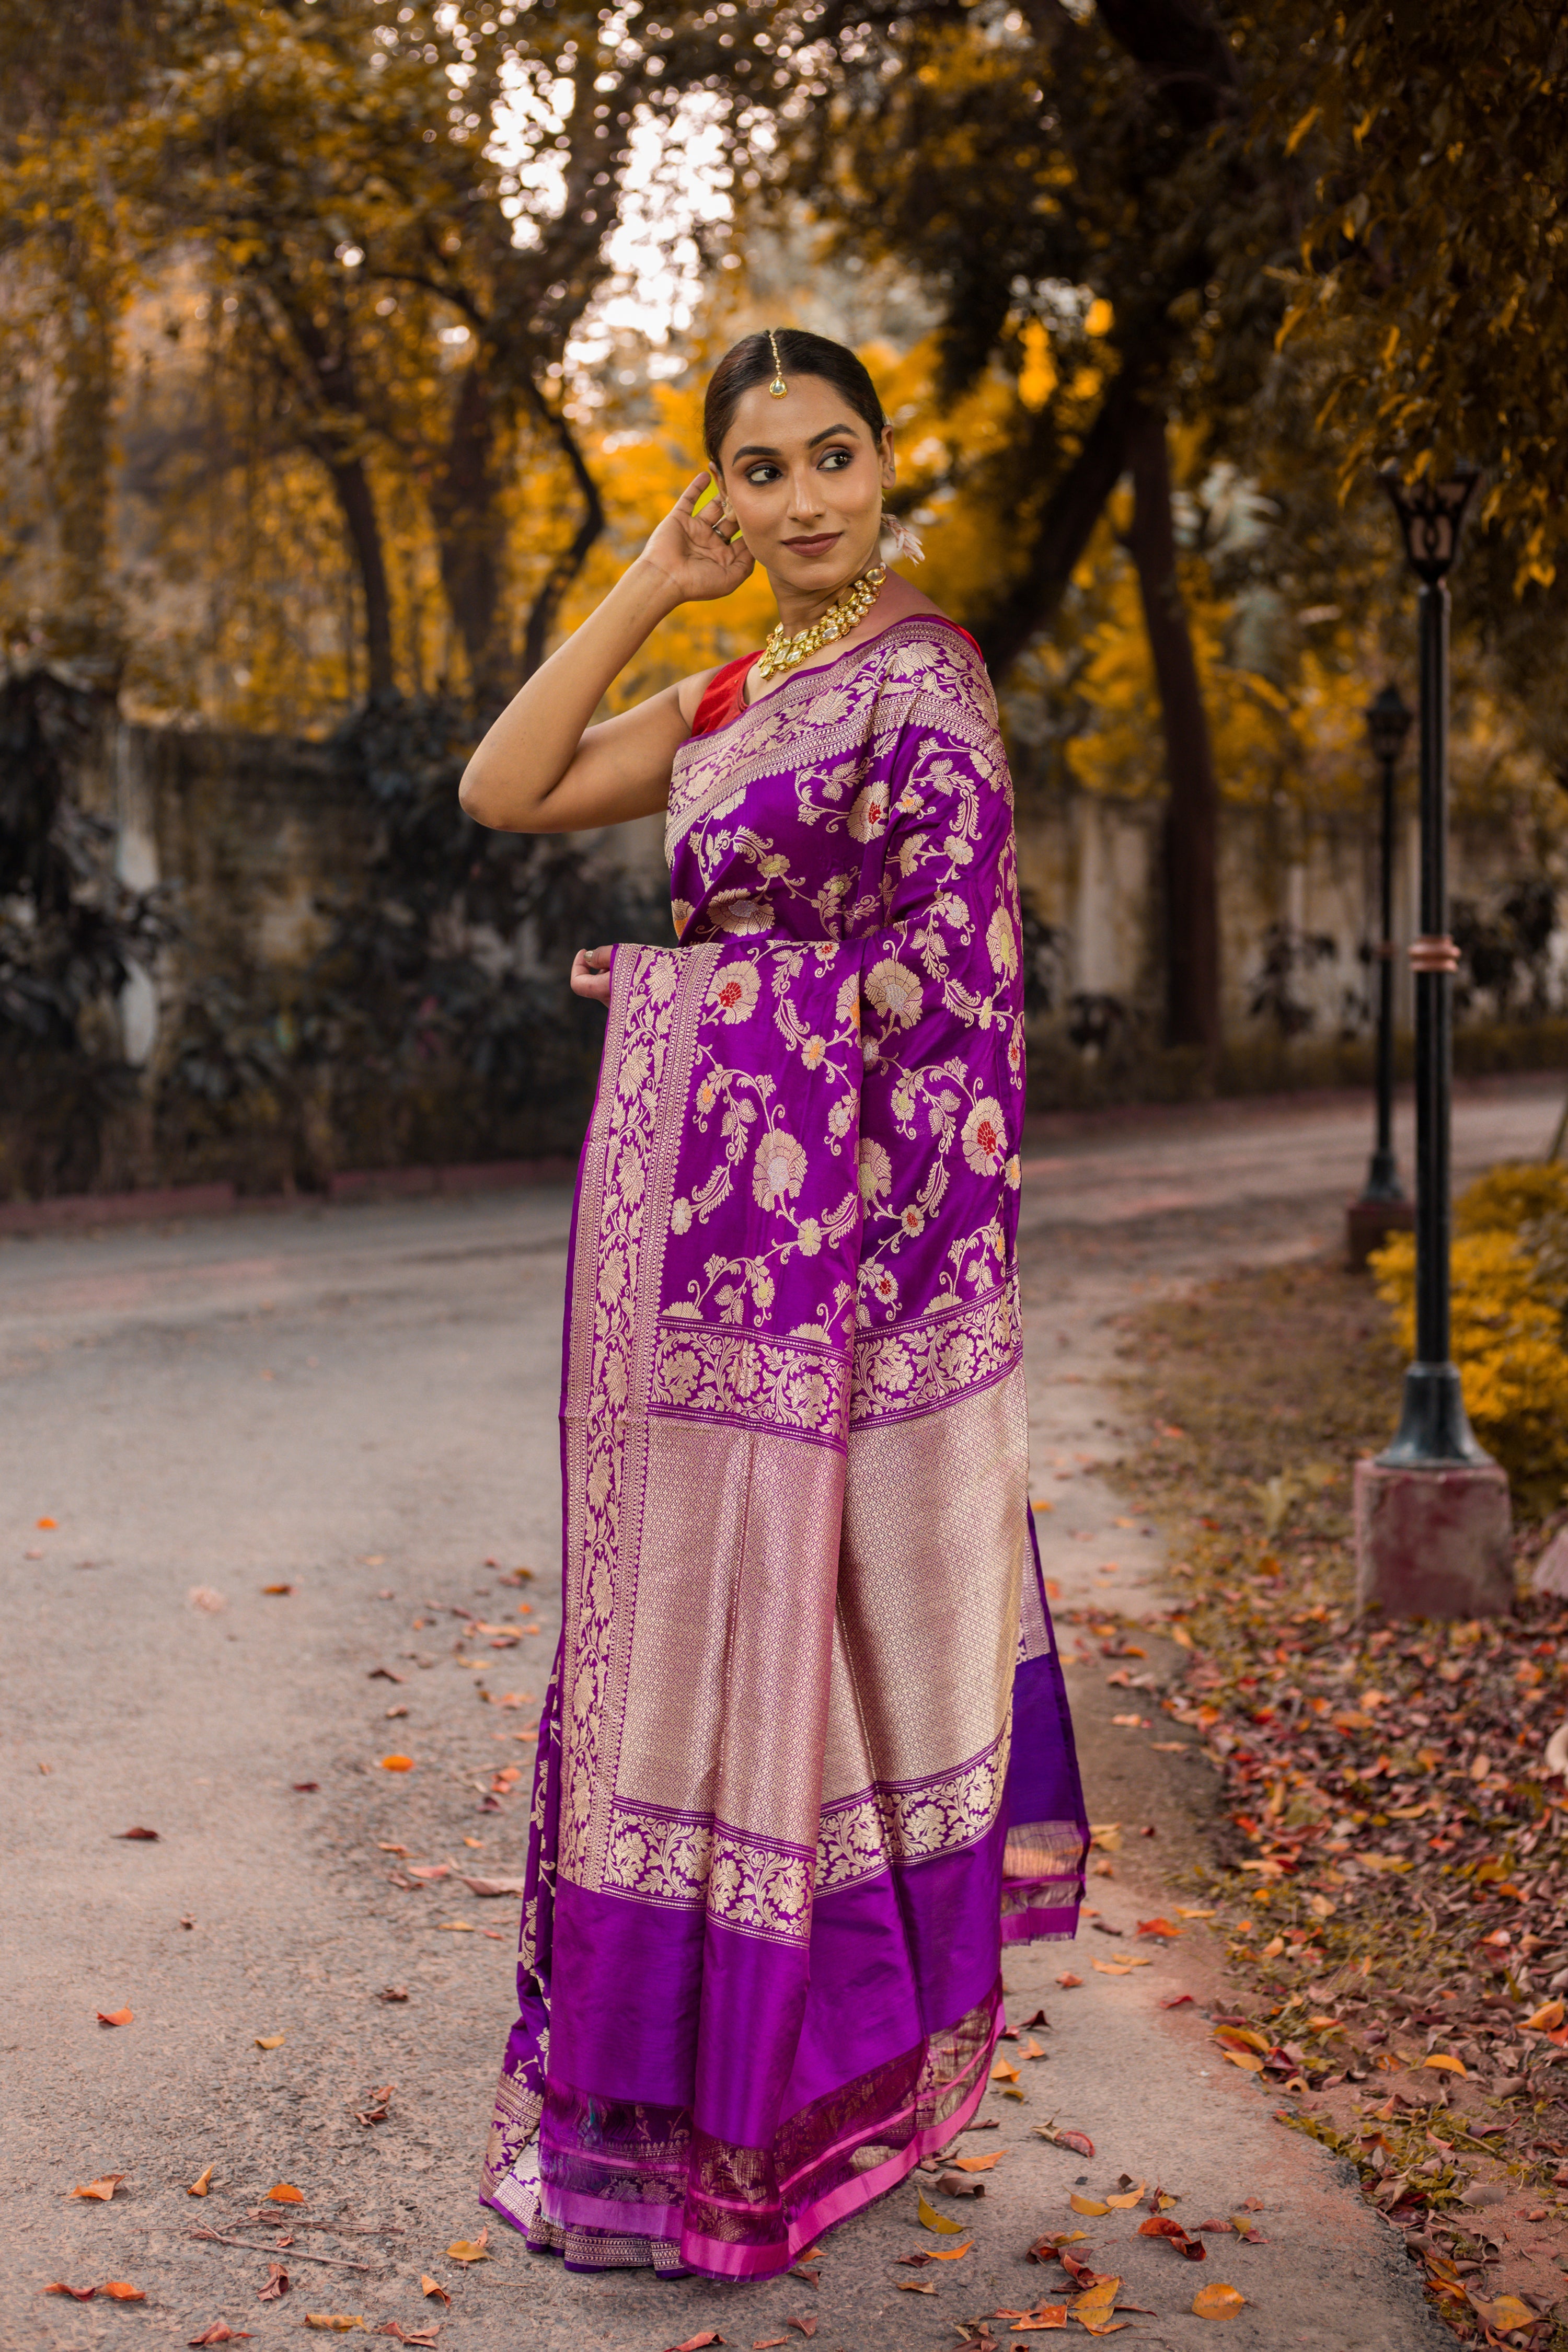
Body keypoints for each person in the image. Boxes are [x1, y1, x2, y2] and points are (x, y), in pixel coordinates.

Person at [459, 326, 1086, 2283]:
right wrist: (653, 586)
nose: (804, 498)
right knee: (691, 1655)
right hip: (702, 1258)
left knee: (826, 1660)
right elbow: (503, 784)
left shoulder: (929, 681)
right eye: (760, 468)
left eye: (834, 455)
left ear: (887, 467)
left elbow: (952, 979)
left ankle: (807, 2084)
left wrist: (691, 996)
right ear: (720, 490)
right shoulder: (730, 691)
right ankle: (675, 2090)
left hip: (855, 1256)